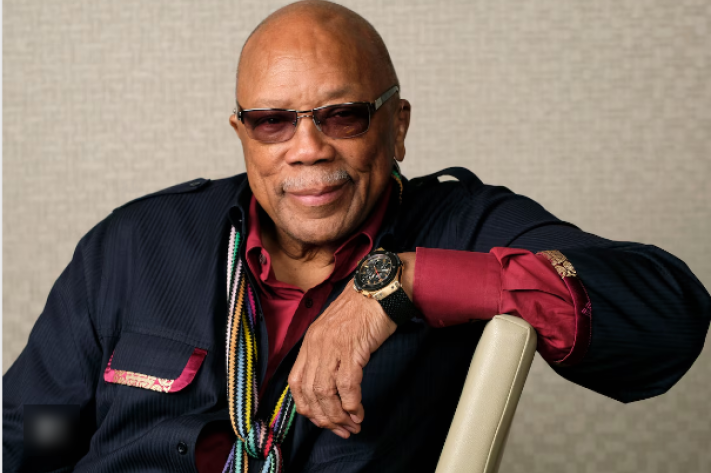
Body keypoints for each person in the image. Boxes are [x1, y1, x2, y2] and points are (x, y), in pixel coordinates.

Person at [3, 1, 710, 472]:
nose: (307, 148)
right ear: (242, 133)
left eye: (342, 115)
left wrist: (404, 281)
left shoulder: (463, 224)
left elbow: (667, 315)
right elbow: (35, 430)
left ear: (397, 126)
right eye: (273, 122)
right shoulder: (135, 241)